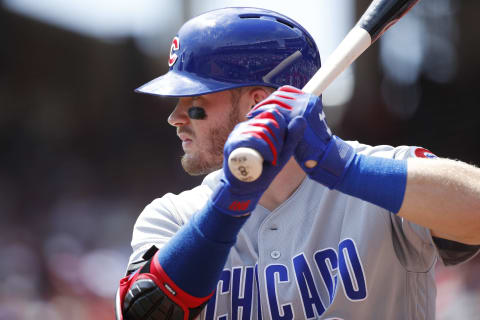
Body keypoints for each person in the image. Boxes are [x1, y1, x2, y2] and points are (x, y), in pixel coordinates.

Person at [116, 7, 480, 320]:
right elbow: (145, 309)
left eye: (194, 101)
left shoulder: (379, 174)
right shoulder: (174, 216)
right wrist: (230, 202)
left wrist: (345, 168)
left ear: (256, 104)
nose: (176, 117)